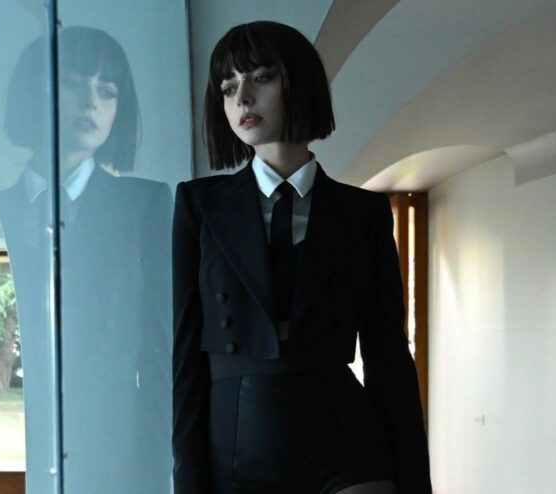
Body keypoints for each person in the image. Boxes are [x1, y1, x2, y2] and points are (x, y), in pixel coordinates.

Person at [172, 21, 432, 494]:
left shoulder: (362, 212)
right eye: (228, 87)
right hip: (237, 449)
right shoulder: (200, 205)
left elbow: (389, 357)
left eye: (261, 78)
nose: (242, 98)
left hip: (349, 448)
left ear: (299, 84)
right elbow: (186, 357)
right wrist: (188, 481)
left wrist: (416, 483)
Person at [0, 26, 172, 493]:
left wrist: (159, 467)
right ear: (37, 91)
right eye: (74, 84)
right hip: (11, 438)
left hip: (119, 448)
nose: (91, 103)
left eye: (107, 91)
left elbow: (161, 348)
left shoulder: (144, 205)